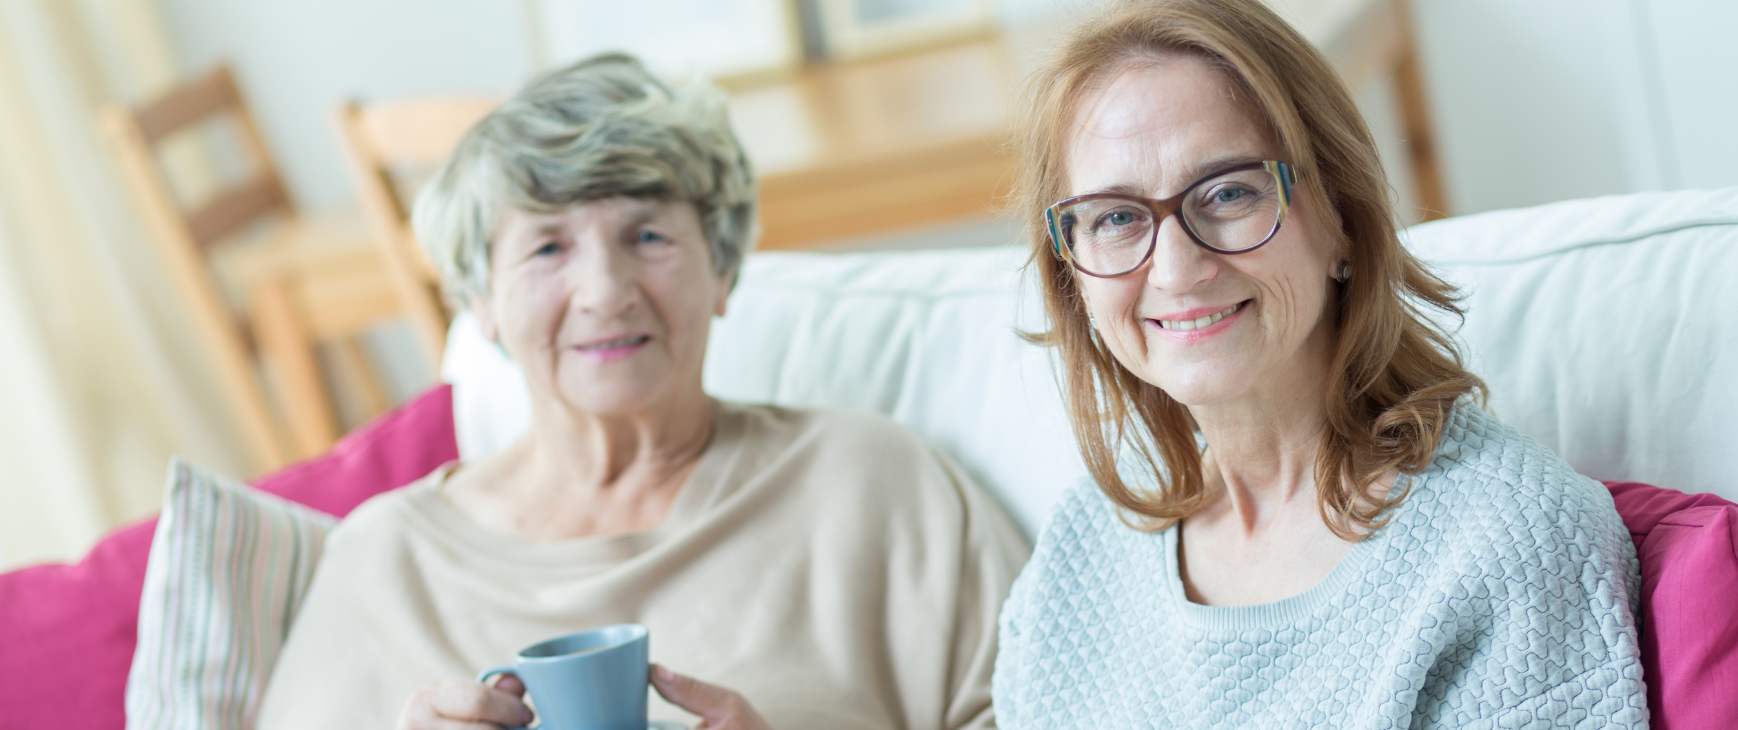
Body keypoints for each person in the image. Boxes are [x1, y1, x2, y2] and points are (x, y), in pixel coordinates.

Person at [254, 54, 1029, 730]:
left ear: (722, 267)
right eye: (548, 246)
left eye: (648, 236)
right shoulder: (384, 562)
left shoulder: (875, 484)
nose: (604, 290)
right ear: (480, 300)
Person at [991, 1, 1647, 727]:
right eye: (1116, 217)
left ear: (1340, 214)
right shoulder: (1081, 548)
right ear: (1072, 276)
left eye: (1229, 192)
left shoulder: (1510, 540)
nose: (1176, 268)